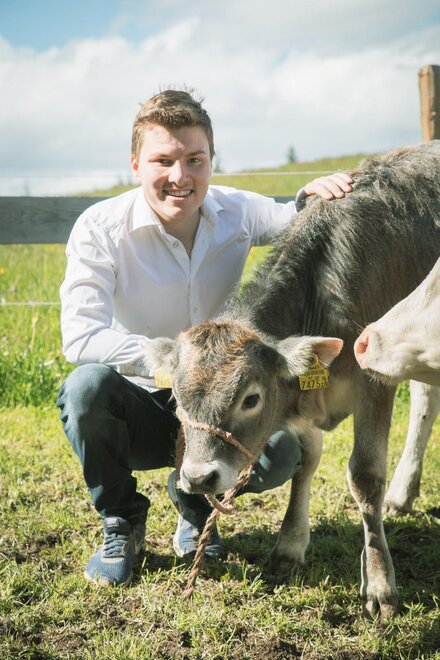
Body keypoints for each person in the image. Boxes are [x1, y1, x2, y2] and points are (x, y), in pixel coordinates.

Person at [57, 89, 353, 587]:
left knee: (283, 449)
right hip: (144, 401)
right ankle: (121, 519)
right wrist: (178, 361)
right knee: (85, 388)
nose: (181, 176)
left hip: (224, 407)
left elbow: (297, 220)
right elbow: (81, 337)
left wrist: (314, 196)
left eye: (195, 159)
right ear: (136, 164)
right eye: (163, 160)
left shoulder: (237, 210)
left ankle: (195, 508)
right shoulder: (100, 228)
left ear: (211, 160)